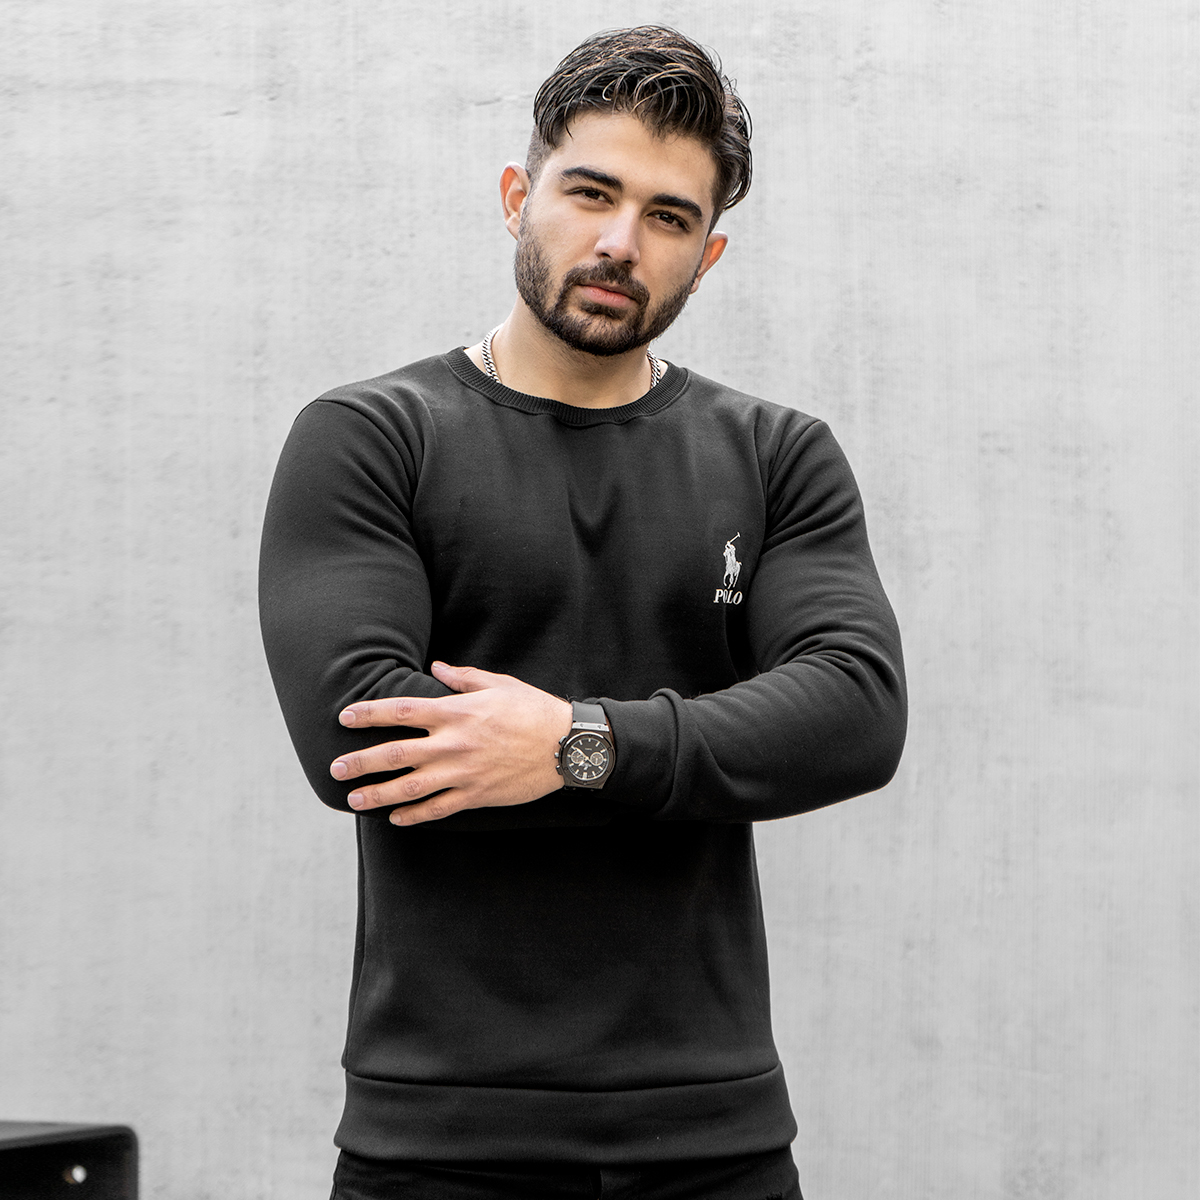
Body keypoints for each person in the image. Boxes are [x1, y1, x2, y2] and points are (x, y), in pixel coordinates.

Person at [259, 25, 906, 1200]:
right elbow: (362, 739)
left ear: (707, 255)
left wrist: (573, 744)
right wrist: (705, 748)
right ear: (520, 197)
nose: (620, 242)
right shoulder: (372, 438)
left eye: (668, 216)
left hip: (713, 1136)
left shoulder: (776, 456)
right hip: (438, 1141)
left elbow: (855, 713)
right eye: (591, 193)